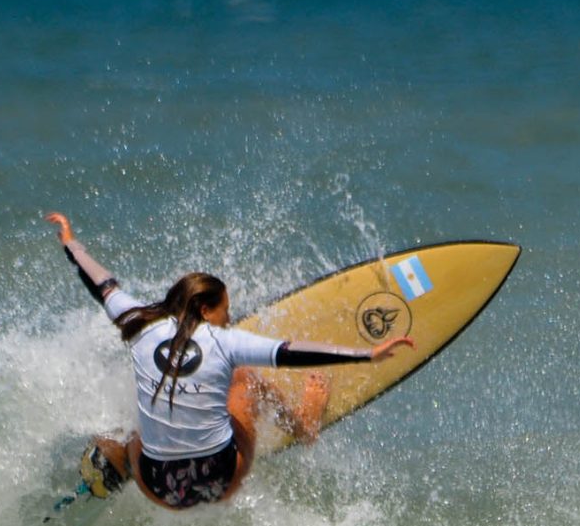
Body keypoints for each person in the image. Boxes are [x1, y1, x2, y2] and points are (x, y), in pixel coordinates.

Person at [46, 213, 413, 509]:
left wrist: (70, 241)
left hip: (160, 492)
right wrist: (367, 353)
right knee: (245, 379)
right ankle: (304, 426)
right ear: (205, 311)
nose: (230, 317)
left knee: (133, 433)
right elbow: (290, 353)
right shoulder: (226, 342)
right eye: (226, 310)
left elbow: (102, 284)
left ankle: (117, 467)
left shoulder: (137, 323)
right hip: (220, 484)